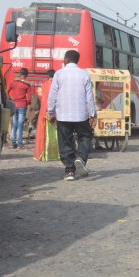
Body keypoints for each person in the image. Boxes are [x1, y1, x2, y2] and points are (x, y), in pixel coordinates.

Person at [47, 50, 97, 181]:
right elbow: (89, 97)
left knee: (65, 141)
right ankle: (81, 158)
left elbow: (52, 95)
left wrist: (51, 112)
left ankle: (69, 171)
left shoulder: (59, 74)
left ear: (66, 59)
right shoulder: (84, 75)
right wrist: (92, 114)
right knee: (85, 137)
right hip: (81, 115)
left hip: (63, 115)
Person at [34, 69, 59, 162]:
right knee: (56, 133)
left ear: (47, 76)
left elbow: (41, 97)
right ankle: (56, 154)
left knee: (43, 132)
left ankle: (44, 154)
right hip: (56, 111)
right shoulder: (57, 85)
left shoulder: (44, 85)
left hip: (44, 110)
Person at [7, 68, 32, 149]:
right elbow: (29, 98)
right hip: (22, 105)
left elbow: (6, 91)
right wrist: (28, 103)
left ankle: (13, 142)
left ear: (20, 73)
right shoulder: (27, 84)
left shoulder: (13, 82)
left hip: (14, 104)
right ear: (27, 75)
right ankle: (19, 143)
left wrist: (10, 98)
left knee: (14, 124)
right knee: (20, 124)